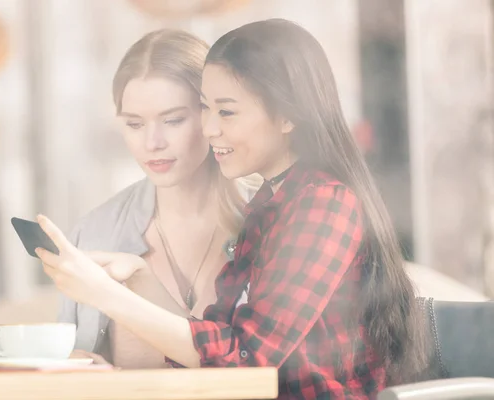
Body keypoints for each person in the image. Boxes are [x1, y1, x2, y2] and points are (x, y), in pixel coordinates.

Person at [38, 19, 428, 399]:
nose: (210, 129)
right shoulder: (272, 204)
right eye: (206, 109)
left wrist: (107, 296)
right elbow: (213, 342)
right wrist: (139, 276)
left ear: (288, 115)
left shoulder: (322, 204)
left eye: (225, 112)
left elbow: (246, 361)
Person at [57, 29, 257, 369]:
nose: (153, 143)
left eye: (173, 120)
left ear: (213, 114)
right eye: (134, 124)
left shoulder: (274, 218)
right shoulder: (94, 232)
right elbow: (69, 365)